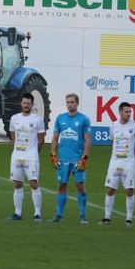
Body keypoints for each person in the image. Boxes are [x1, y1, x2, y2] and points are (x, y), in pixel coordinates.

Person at [49, 93, 91, 223]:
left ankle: (83, 216)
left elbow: (88, 140)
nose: (70, 104)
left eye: (72, 102)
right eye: (68, 102)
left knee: (80, 186)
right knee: (61, 186)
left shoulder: (84, 119)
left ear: (77, 103)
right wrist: (53, 155)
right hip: (63, 159)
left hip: (77, 159)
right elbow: (55, 138)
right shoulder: (60, 118)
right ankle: (58, 215)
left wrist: (84, 158)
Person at [101, 101, 135, 226]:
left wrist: (132, 154)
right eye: (126, 111)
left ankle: (129, 219)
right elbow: (112, 141)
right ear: (120, 112)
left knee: (129, 190)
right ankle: (107, 217)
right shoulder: (113, 126)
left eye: (130, 112)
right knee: (110, 189)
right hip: (115, 162)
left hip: (129, 163)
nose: (128, 114)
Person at [7, 93, 45, 221]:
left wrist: (34, 153)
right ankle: (17, 213)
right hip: (17, 155)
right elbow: (13, 135)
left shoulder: (37, 119)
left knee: (33, 183)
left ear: (32, 104)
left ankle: (37, 213)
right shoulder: (14, 118)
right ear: (21, 104)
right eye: (24, 103)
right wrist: (17, 147)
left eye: (28, 103)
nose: (26, 105)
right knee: (17, 184)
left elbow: (41, 139)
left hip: (31, 156)